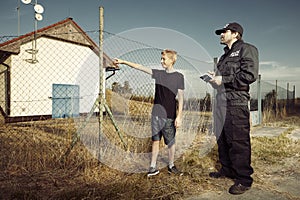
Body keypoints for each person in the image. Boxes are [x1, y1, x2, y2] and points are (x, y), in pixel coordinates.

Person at [113, 49, 185, 177]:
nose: (161, 61)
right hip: (156, 115)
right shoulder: (158, 74)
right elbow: (140, 67)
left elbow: (181, 98)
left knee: (171, 142)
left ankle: (171, 165)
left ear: (172, 60)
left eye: (164, 59)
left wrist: (179, 116)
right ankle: (153, 167)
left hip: (169, 116)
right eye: (161, 58)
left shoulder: (179, 77)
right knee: (155, 141)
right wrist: (123, 61)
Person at [207, 22, 259, 195]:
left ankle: (244, 179)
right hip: (221, 101)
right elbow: (220, 83)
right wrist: (214, 80)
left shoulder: (247, 49)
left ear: (235, 34)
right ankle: (227, 169)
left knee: (238, 140)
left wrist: (224, 79)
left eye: (224, 31)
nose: (221, 34)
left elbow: (249, 75)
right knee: (222, 138)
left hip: (236, 101)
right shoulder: (223, 57)